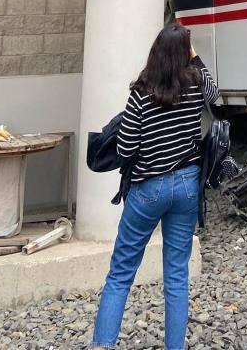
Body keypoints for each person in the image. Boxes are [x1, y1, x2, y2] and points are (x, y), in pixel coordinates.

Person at [92, 22, 219, 350]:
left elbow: (124, 149)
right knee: (177, 276)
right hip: (187, 186)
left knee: (121, 273)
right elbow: (215, 93)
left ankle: (103, 344)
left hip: (148, 189)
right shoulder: (194, 86)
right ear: (184, 56)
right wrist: (194, 56)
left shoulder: (141, 92)